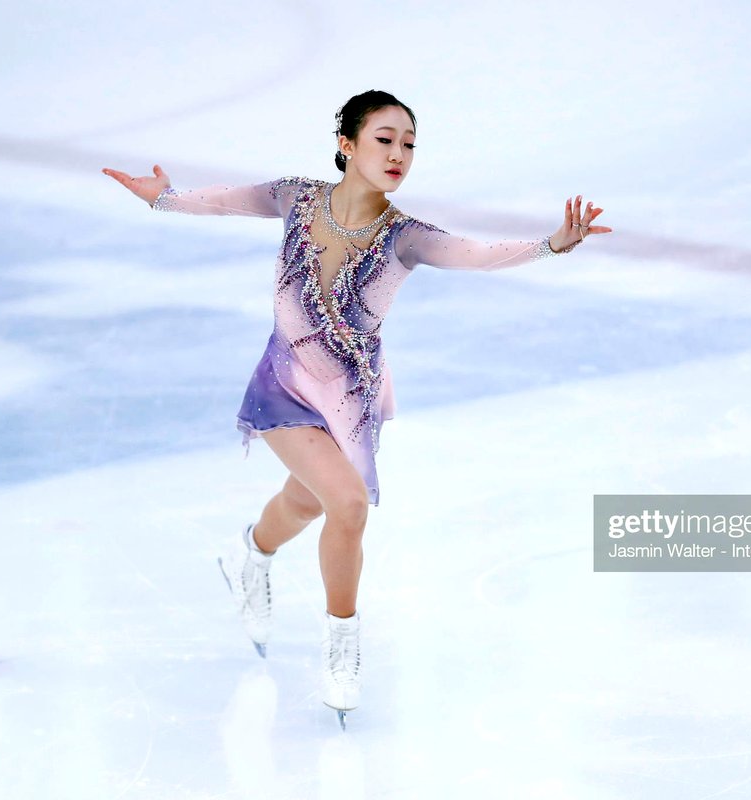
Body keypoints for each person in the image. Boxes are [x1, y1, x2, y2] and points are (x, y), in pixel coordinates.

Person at [102, 89, 611, 727]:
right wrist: (165, 198)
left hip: (350, 398)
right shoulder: (295, 198)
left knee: (307, 502)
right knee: (346, 504)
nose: (399, 154)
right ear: (346, 144)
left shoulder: (406, 237)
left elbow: (478, 255)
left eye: (409, 144)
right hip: (286, 382)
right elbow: (227, 200)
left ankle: (250, 552)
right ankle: (341, 649)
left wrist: (553, 244)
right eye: (384, 139)